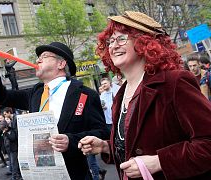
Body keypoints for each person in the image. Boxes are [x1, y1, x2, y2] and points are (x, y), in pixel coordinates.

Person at [78, 11, 211, 180]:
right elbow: (135, 144)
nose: (113, 45)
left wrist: (159, 162)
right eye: (110, 41)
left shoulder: (174, 82)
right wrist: (105, 146)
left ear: (144, 43)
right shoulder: (121, 94)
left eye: (121, 39)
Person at [0, 42, 107, 179]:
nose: (37, 60)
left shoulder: (85, 95)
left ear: (61, 64)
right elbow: (1, 97)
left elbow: (101, 132)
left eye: (44, 56)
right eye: (38, 57)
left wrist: (71, 141)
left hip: (73, 174)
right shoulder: (36, 92)